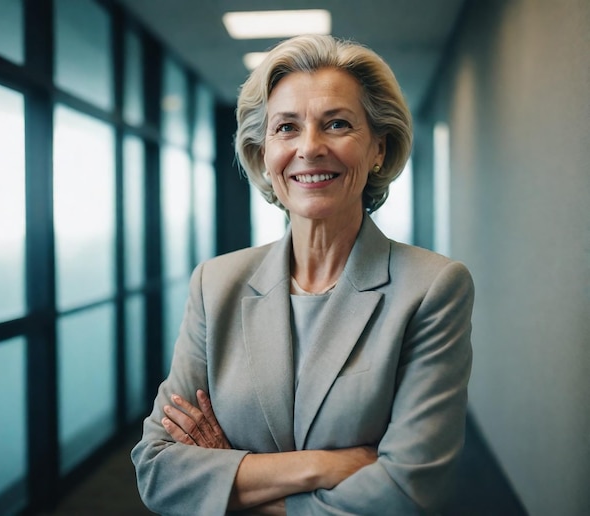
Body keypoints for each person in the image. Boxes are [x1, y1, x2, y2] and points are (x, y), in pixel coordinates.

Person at [132, 34, 474, 515]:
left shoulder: (431, 288)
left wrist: (229, 478)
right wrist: (326, 467)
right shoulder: (216, 284)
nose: (310, 148)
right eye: (286, 128)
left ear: (379, 146)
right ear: (264, 154)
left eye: (336, 124)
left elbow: (407, 492)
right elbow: (157, 470)